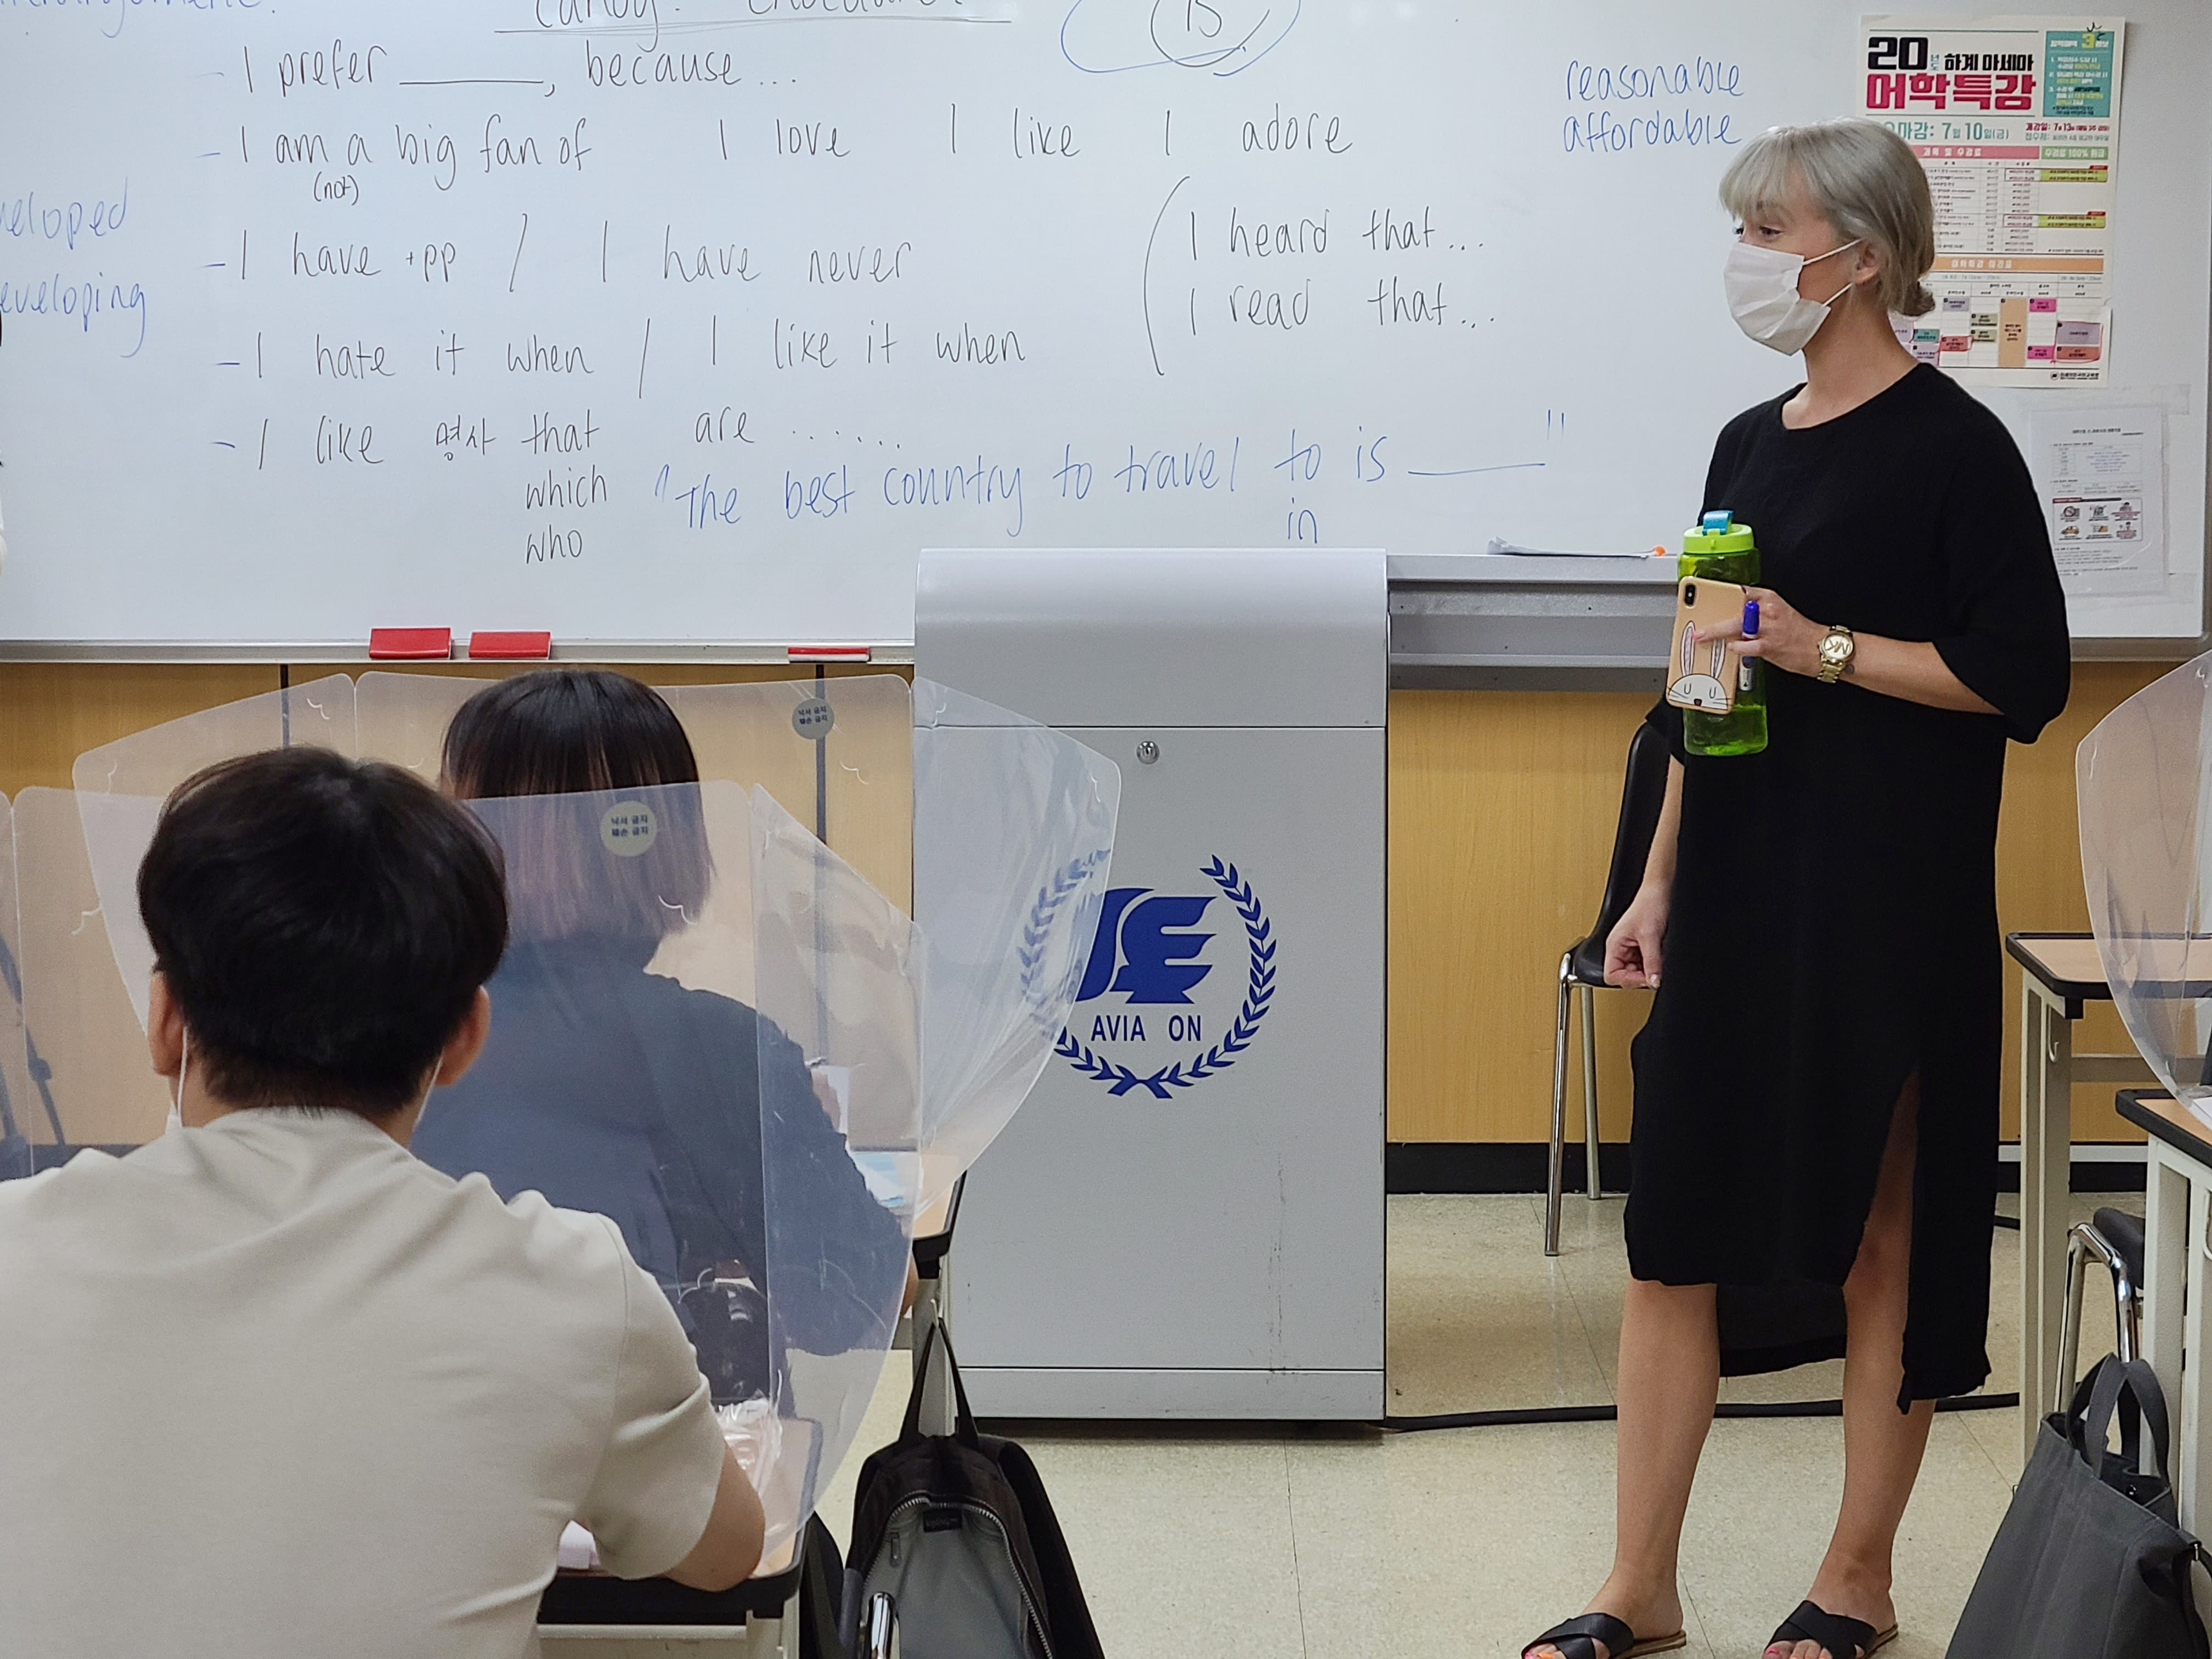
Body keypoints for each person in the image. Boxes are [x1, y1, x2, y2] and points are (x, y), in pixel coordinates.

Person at [1523, 121, 2070, 1659]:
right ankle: (1637, 1585)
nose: (1749, 257)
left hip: (1886, 899)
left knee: (1882, 1237)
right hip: (1739, 886)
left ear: (1861, 259)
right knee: (1674, 1228)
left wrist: (1818, 644)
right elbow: (1703, 681)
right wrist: (1652, 884)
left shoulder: (1958, 448)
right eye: (1748, 228)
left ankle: (1857, 1578)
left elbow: (2016, 675)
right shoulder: (1744, 445)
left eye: (1772, 231)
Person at [0, 748, 764, 1659]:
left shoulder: (14, 1245)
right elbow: (726, 1554)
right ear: (466, 1039)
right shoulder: (571, 1285)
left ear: (165, 1023)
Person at [411, 669, 911, 1405]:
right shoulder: (722, 1048)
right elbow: (858, 1302)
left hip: (425, 1438)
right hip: (655, 1452)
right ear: (669, 841)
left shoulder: (394, 1034)